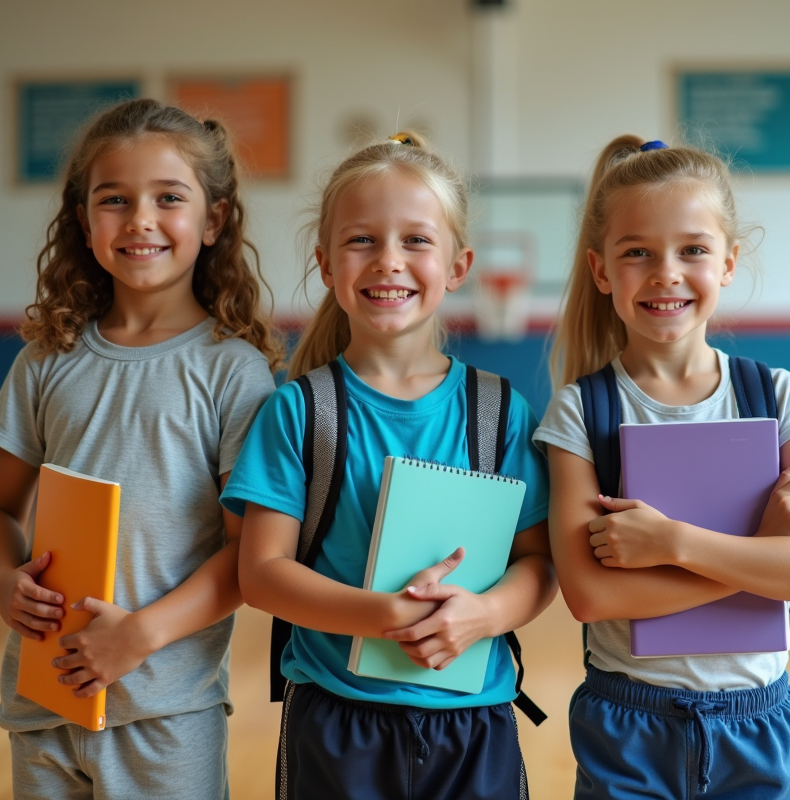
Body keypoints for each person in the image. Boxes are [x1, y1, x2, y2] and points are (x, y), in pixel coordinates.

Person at [222, 132, 557, 800]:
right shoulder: (299, 412)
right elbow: (261, 575)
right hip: (337, 725)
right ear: (325, 263)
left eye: (416, 241)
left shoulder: (500, 411)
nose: (388, 262)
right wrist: (381, 615)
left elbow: (539, 565)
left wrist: (483, 616)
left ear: (459, 266)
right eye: (361, 241)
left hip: (475, 722)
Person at [0, 98, 281, 800]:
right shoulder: (46, 360)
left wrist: (137, 635)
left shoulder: (234, 372)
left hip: (166, 714)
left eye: (168, 198)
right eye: (115, 200)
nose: (139, 220)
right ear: (85, 222)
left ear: (214, 219)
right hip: (44, 704)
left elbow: (247, 558)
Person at [535, 136, 790, 799]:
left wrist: (672, 543)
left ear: (729, 263)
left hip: (758, 721)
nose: (666, 273)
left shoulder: (779, 397)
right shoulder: (579, 412)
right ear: (600, 270)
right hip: (629, 722)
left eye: (694, 250)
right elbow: (591, 597)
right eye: (637, 253)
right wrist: (765, 556)